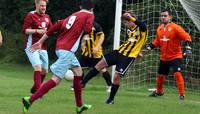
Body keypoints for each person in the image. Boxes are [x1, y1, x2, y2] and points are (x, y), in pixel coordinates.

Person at [22, 0, 95, 114]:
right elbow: (88, 29)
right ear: (91, 9)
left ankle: (80, 106)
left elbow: (54, 27)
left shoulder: (73, 15)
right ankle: (30, 100)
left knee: (78, 73)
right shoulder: (89, 15)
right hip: (68, 51)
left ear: (81, 7)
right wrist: (86, 36)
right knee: (56, 79)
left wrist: (40, 42)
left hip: (61, 49)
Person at [82, 11, 148, 104]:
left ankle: (111, 99)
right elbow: (130, 42)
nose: (126, 24)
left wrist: (137, 52)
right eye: (125, 22)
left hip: (128, 56)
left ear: (133, 19)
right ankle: (82, 83)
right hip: (119, 51)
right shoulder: (128, 30)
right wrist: (138, 51)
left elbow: (143, 25)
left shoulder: (142, 29)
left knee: (117, 76)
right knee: (100, 64)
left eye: (128, 21)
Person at [147, 8, 192, 100]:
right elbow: (157, 41)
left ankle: (182, 95)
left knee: (177, 73)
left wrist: (188, 49)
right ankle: (159, 92)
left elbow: (187, 37)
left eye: (165, 16)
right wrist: (150, 46)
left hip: (176, 56)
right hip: (164, 57)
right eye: (162, 16)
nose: (163, 17)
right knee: (160, 76)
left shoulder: (175, 27)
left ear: (170, 17)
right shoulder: (159, 28)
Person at [71, 21, 112, 92]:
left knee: (102, 69)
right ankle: (79, 85)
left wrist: (97, 47)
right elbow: (83, 39)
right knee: (79, 68)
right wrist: (82, 46)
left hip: (96, 54)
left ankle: (110, 86)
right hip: (86, 53)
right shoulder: (82, 25)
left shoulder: (96, 25)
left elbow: (102, 36)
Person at [22, 0, 52, 94]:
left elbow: (51, 30)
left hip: (42, 46)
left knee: (45, 71)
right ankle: (38, 93)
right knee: (38, 67)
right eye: (41, 6)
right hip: (31, 46)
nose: (43, 8)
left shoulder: (47, 17)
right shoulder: (31, 15)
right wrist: (36, 31)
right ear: (36, 5)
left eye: (45, 6)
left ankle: (34, 90)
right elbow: (25, 30)